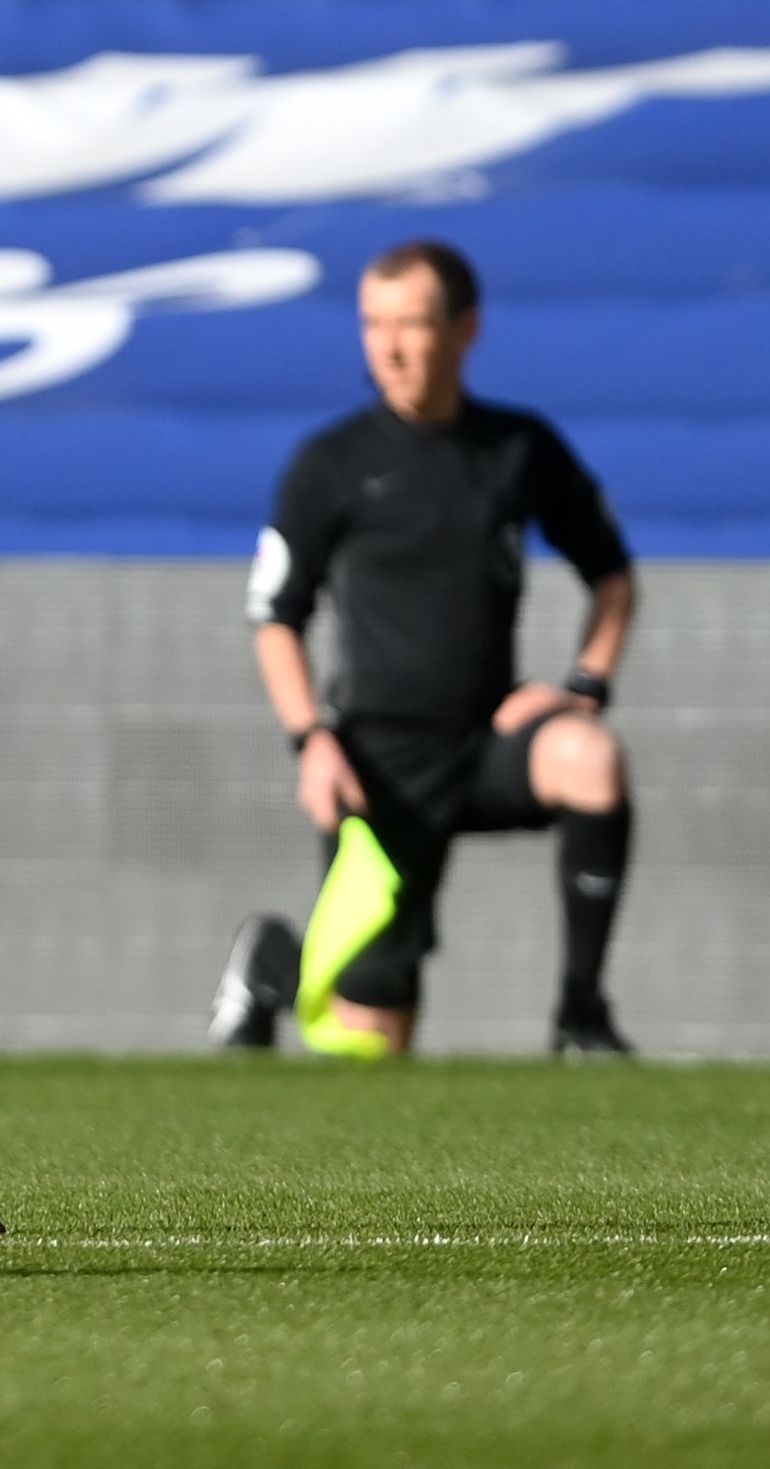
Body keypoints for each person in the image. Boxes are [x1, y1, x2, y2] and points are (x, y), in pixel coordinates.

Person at [212, 238, 639, 1060]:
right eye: (373, 323)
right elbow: (275, 617)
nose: (389, 344)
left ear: (464, 329)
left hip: (486, 740)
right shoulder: (331, 463)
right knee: (372, 1043)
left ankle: (581, 1014)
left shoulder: (518, 448)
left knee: (588, 756)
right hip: (376, 767)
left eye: (409, 322)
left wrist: (581, 687)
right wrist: (312, 741)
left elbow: (612, 579)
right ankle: (274, 963)